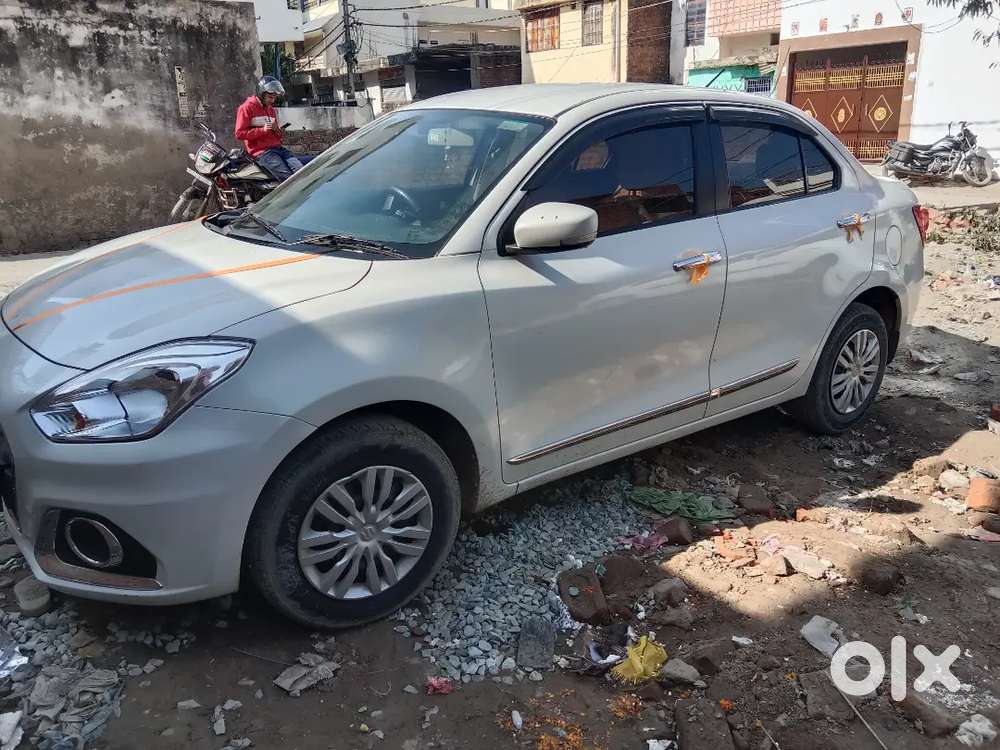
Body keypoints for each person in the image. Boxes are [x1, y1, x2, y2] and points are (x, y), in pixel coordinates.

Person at [235, 76, 303, 181]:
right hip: (262, 152)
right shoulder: (246, 108)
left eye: (274, 97)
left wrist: (277, 130)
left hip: (278, 148)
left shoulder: (270, 109)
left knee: (302, 172)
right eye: (270, 97)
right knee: (288, 179)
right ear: (261, 94)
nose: (273, 100)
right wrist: (262, 130)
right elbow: (239, 133)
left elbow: (275, 135)